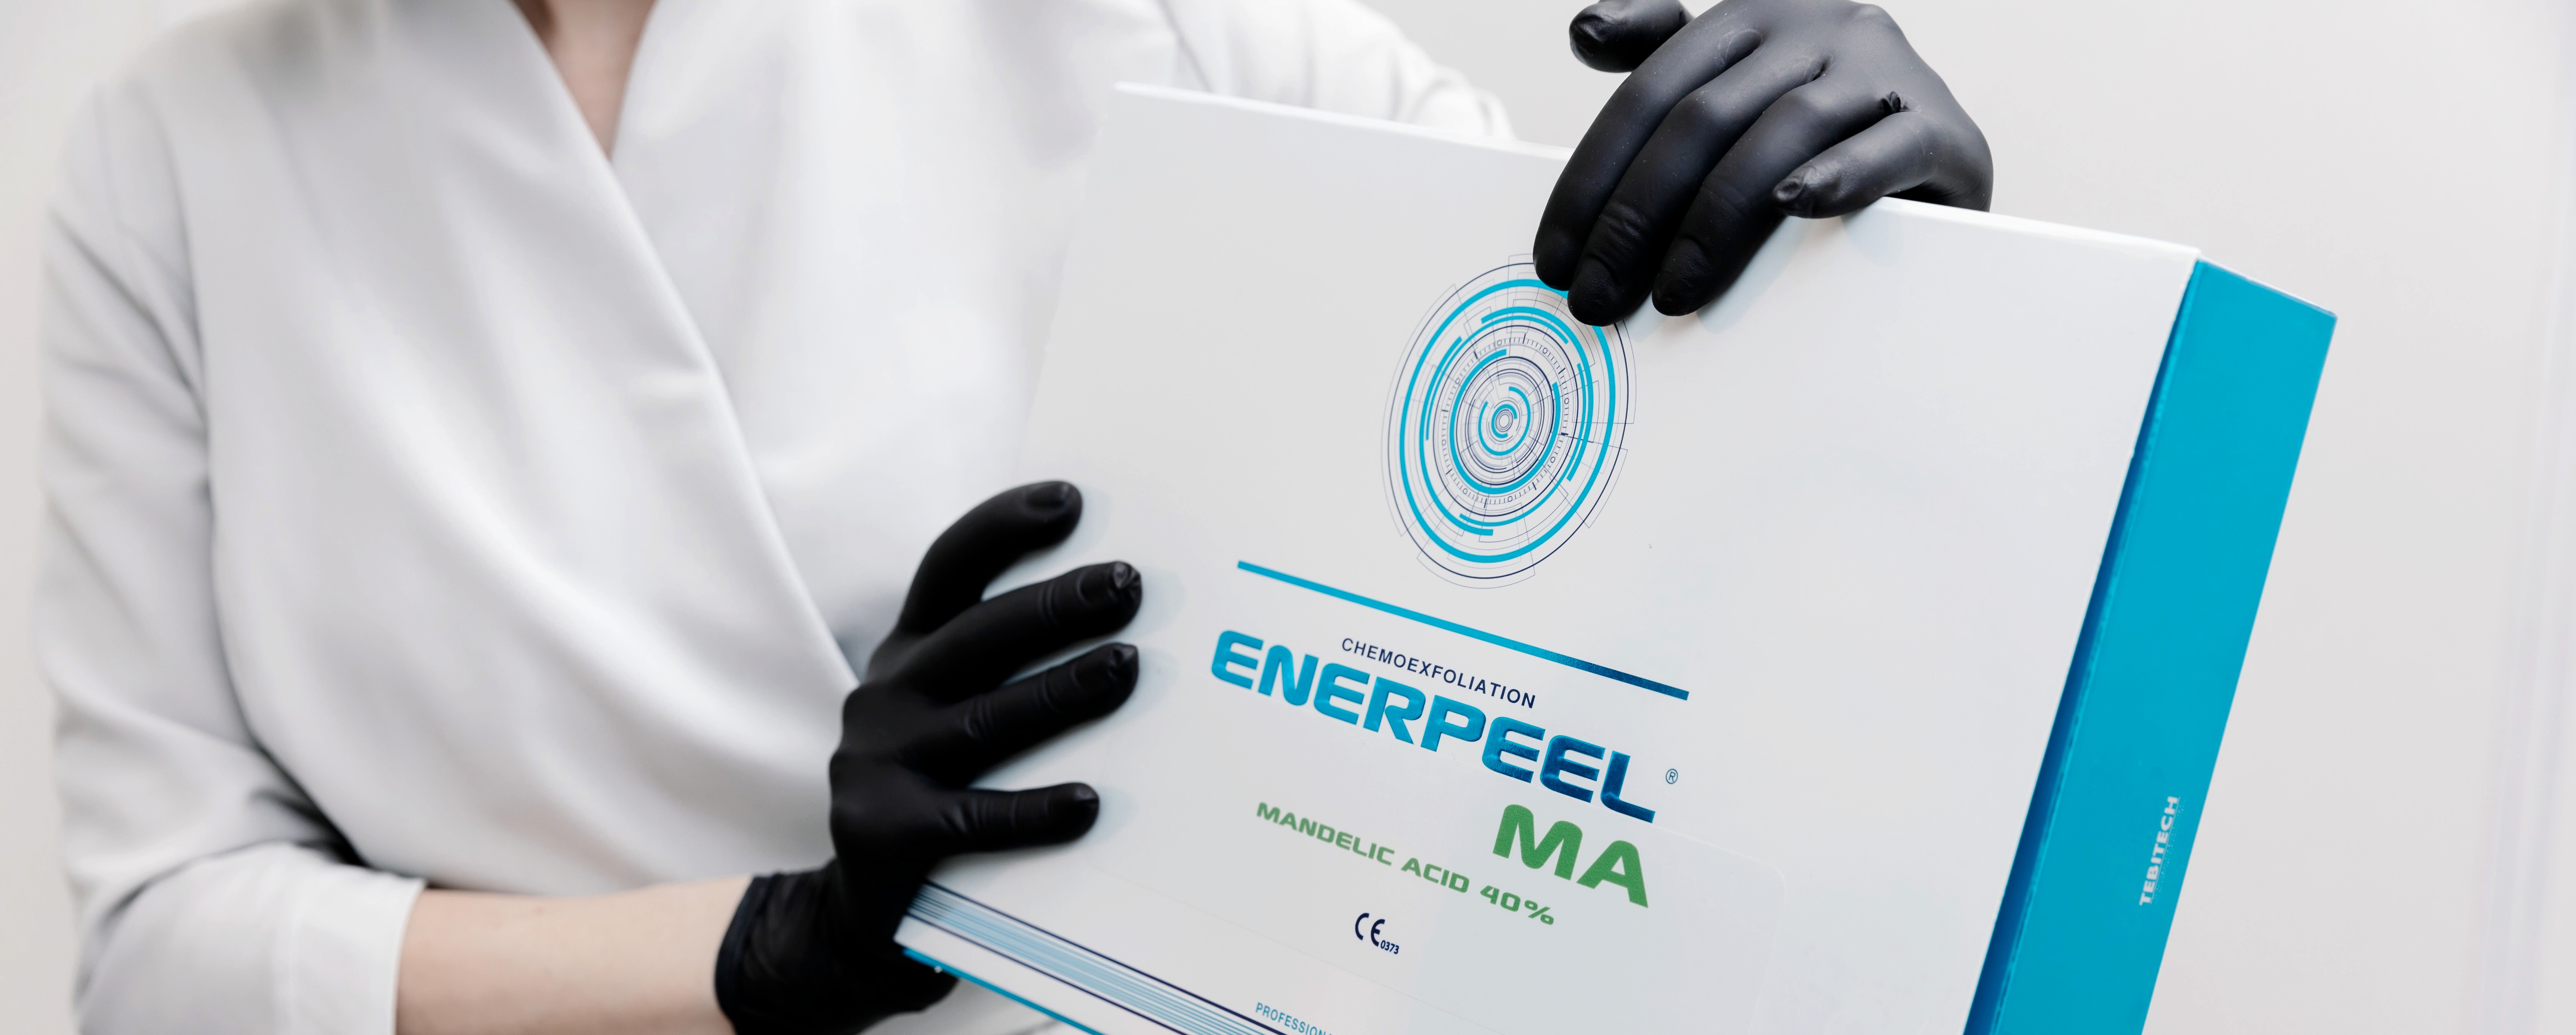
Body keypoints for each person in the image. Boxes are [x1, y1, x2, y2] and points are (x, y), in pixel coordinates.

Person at [34, 0, 1989, 1032]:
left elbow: (1630, 534)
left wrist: (1883, 273)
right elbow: (166, 950)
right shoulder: (173, 153)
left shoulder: (1169, 28)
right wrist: (765, 952)